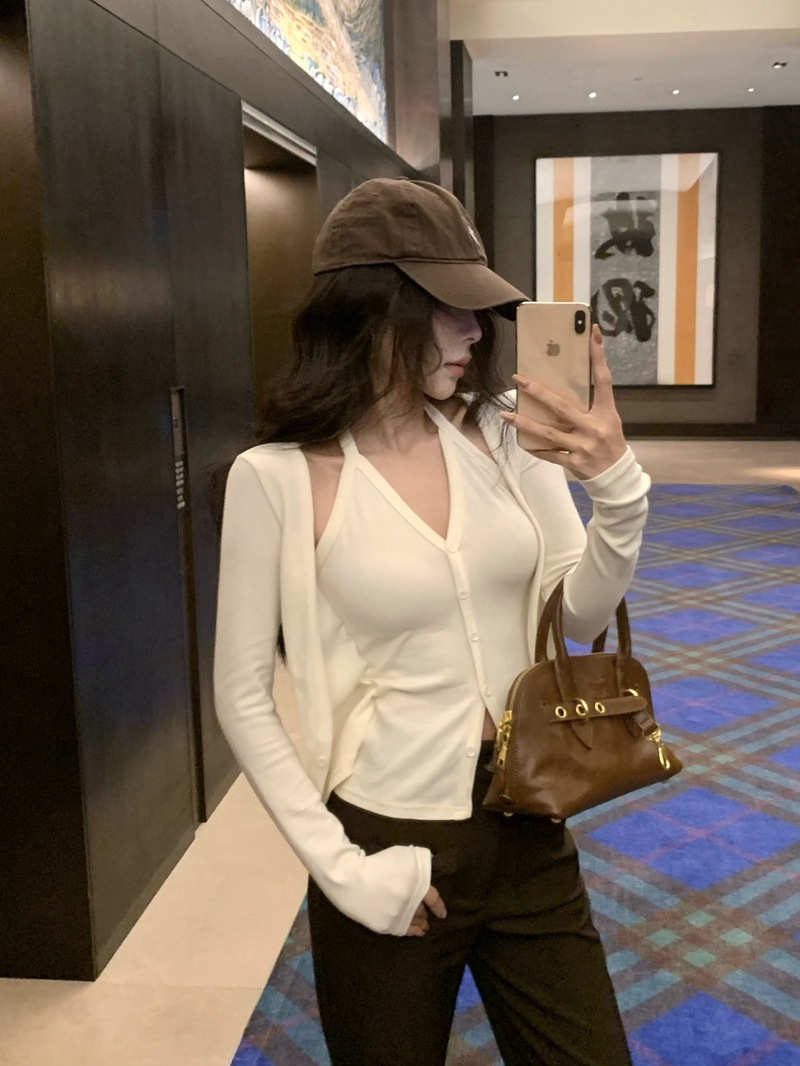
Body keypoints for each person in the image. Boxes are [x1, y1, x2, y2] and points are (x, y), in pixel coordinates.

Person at [214, 177, 649, 1066]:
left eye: (478, 311)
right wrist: (345, 872)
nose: (476, 332)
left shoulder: (506, 439)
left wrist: (616, 492)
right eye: (450, 309)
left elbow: (577, 615)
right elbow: (242, 694)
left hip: (530, 817)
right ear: (375, 310)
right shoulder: (277, 478)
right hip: (388, 839)